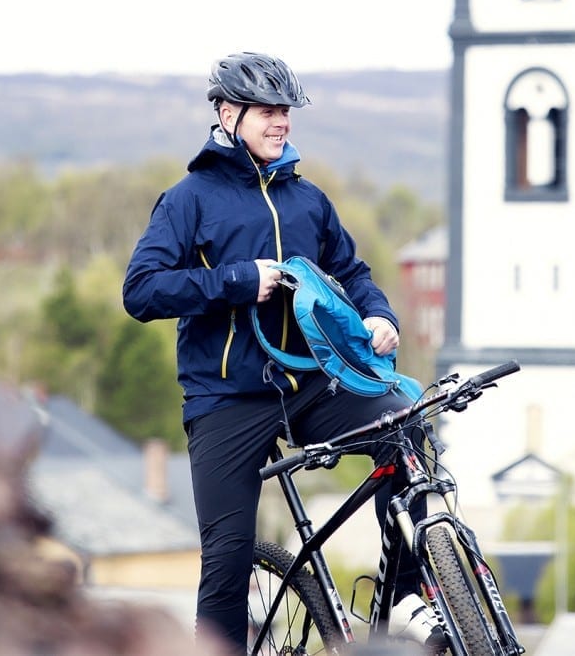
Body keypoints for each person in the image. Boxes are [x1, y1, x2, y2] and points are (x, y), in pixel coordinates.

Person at [122, 52, 438, 653]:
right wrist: (240, 280)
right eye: (267, 111)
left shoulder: (307, 200)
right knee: (227, 560)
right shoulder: (189, 199)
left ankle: (403, 597)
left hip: (312, 386)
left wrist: (380, 315)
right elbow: (141, 291)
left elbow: (353, 271)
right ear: (228, 114)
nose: (281, 122)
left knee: (406, 430)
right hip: (227, 399)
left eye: (285, 111)